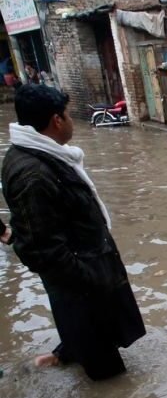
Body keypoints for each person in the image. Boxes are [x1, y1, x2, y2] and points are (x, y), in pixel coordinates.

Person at [1, 84, 146, 380]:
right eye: (67, 115)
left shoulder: (44, 155)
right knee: (108, 375)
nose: (71, 121)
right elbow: (42, 250)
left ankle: (63, 354)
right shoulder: (33, 173)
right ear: (56, 120)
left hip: (85, 270)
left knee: (92, 333)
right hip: (81, 282)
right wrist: (89, 280)